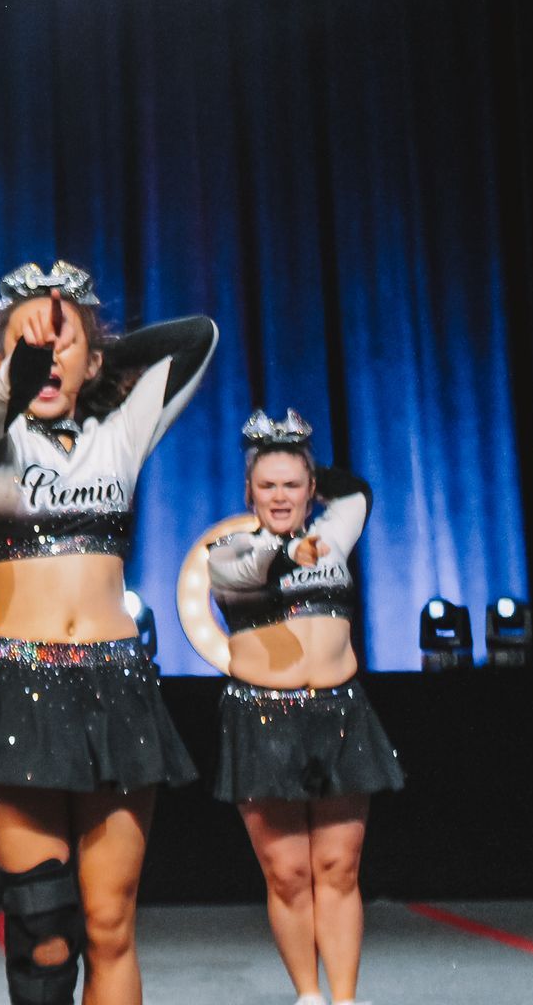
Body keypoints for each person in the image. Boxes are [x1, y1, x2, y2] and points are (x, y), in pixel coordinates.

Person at [0, 260, 216, 1005]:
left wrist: (90, 347)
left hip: (116, 688)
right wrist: (26, 366)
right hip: (17, 688)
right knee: (43, 929)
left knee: (110, 922)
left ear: (96, 361)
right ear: (1, 361)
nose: (46, 354)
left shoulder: (120, 435)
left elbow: (199, 338)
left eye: (65, 344)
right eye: (24, 342)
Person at [209, 409, 403, 1005]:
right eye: (266, 485)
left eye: (293, 485)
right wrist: (289, 550)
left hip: (340, 713)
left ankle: (343, 998)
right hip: (263, 717)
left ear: (312, 489)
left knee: (340, 870)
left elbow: (360, 493)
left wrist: (299, 453)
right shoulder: (227, 549)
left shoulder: (335, 533)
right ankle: (308, 995)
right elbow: (251, 569)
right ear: (249, 491)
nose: (280, 496)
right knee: (290, 875)